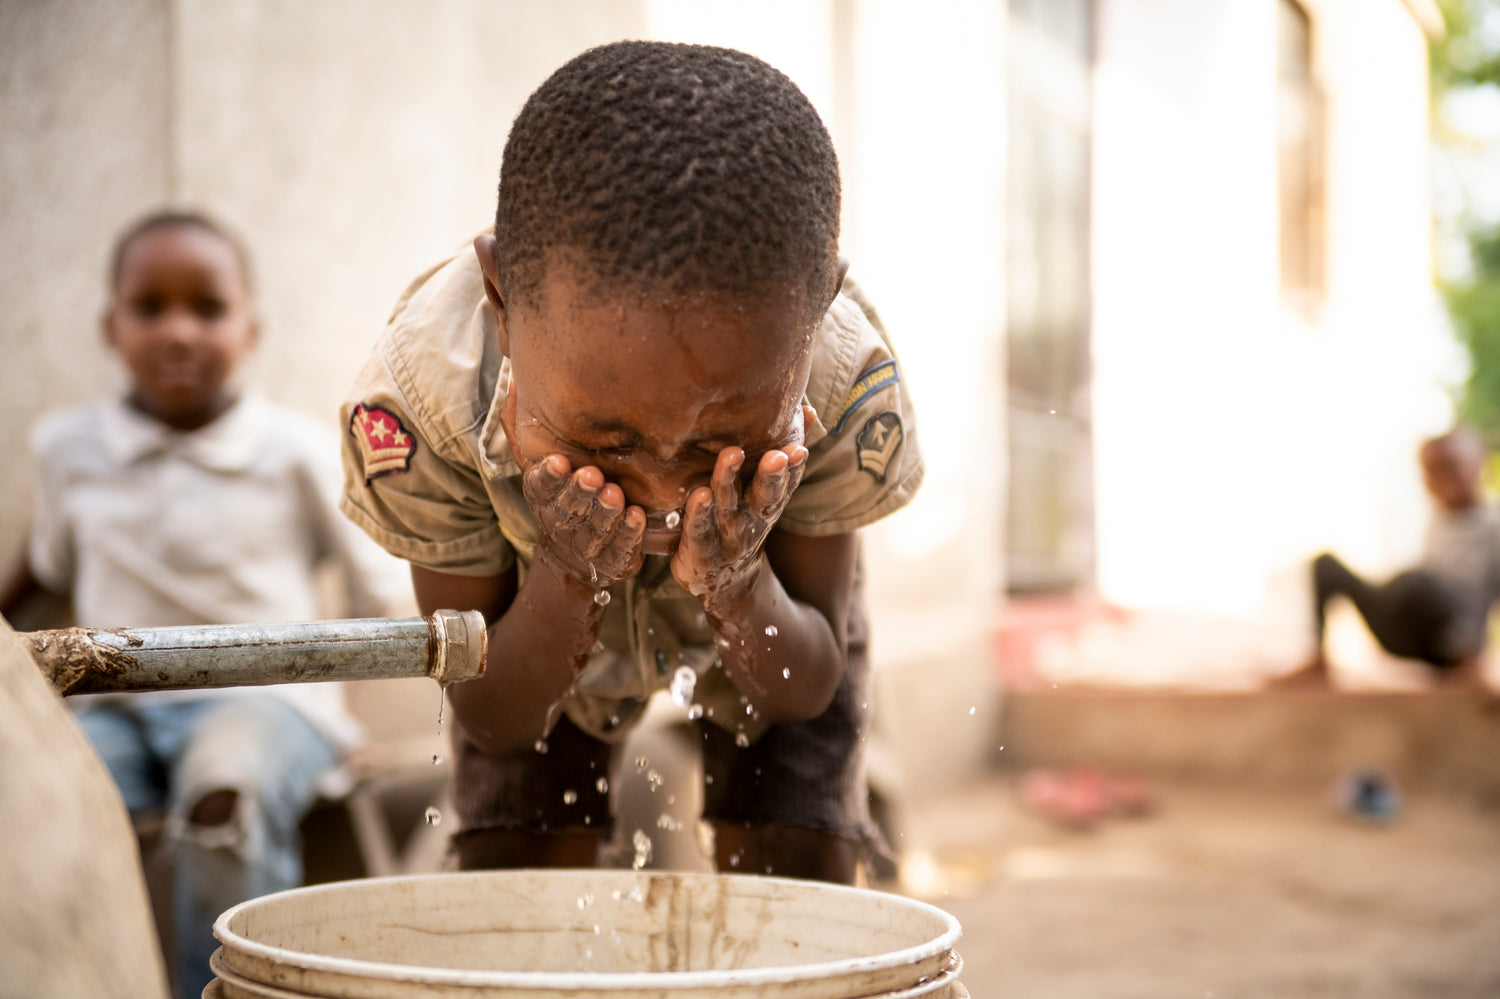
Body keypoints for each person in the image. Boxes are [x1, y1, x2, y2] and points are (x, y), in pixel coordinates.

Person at [338, 41, 923, 884]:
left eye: (717, 447)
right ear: (502, 300)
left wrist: (739, 583)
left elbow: (805, 687)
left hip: (771, 624)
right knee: (518, 877)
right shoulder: (426, 403)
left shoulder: (840, 386)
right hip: (527, 623)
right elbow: (494, 713)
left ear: (817, 312)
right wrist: (568, 577)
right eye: (602, 444)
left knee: (801, 875)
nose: (662, 499)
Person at [0, 210, 402, 999]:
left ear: (251, 327)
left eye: (208, 308)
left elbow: (378, 592)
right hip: (115, 707)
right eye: (149, 308)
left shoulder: (294, 451)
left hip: (260, 704)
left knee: (226, 796)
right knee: (35, 799)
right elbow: (38, 576)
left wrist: (330, 717)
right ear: (109, 328)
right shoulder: (67, 449)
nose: (178, 331)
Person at [1279, 426, 1499, 689]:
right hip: (1407, 630)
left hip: (1454, 642)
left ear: (1477, 465)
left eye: (1450, 466)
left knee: (1417, 582)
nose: (1440, 478)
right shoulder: (1437, 522)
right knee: (1327, 565)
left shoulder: (1492, 527)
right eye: (1431, 471)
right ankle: (1318, 663)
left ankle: (1465, 665)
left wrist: (1473, 656)